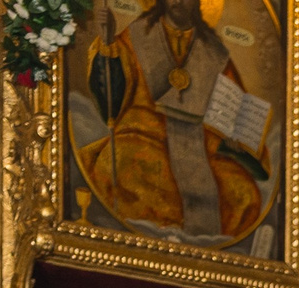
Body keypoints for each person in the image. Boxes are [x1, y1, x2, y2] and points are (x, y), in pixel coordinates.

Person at [72, 0, 272, 247]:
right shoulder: (138, 35)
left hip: (203, 150)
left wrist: (235, 143)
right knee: (119, 162)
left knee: (243, 192)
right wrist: (107, 43)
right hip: (146, 135)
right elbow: (110, 100)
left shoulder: (214, 53)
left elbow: (234, 113)